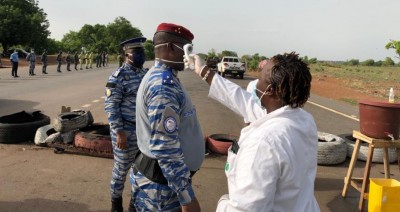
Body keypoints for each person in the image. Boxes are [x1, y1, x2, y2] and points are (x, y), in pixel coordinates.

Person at [187, 52, 320, 211]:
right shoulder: (303, 120)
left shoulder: (263, 143)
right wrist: (204, 71)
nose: (256, 83)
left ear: (270, 90)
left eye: (261, 78)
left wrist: (224, 203)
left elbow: (245, 208)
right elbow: (241, 99)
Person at [132, 23, 203, 211]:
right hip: (161, 189)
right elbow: (165, 147)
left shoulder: (165, 77)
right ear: (171, 47)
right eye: (187, 49)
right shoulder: (164, 85)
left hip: (162, 181)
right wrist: (187, 197)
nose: (189, 56)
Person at [104, 36, 148, 212]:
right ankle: (116, 204)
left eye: (141, 51)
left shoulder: (145, 74)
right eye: (136, 52)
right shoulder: (118, 77)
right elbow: (111, 106)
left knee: (141, 170)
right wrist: (119, 132)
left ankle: (134, 204)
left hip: (142, 131)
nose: (140, 55)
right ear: (126, 54)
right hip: (125, 131)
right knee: (121, 170)